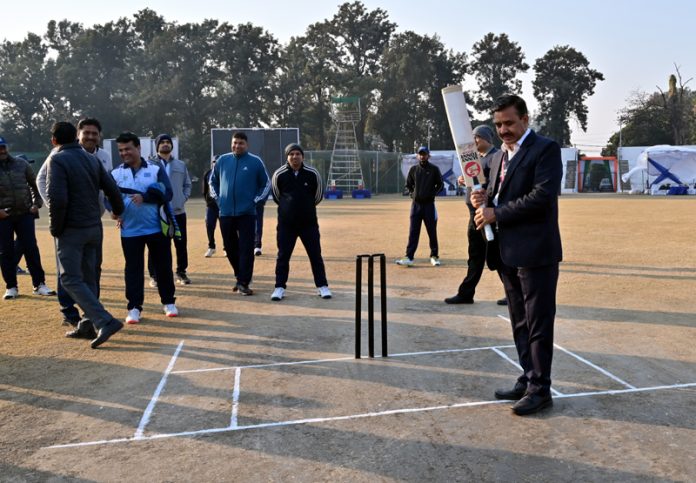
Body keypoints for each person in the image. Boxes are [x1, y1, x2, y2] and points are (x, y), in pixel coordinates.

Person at [471, 95, 563, 416]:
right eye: (498, 125)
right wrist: (483, 198)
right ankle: (528, 377)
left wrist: (497, 213)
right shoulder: (498, 158)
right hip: (506, 252)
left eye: (509, 123)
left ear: (525, 118)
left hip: (536, 251)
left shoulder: (545, 149)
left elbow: (542, 197)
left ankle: (541, 389)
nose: (503, 130)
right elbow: (497, 194)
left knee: (538, 323)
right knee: (519, 320)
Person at [46, 121, 125, 348]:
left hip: (72, 229)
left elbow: (57, 199)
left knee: (70, 278)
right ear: (75, 137)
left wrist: (55, 228)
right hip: (94, 228)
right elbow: (112, 189)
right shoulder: (92, 159)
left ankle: (104, 320)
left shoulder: (56, 159)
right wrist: (119, 211)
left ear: (54, 141)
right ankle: (88, 324)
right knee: (89, 278)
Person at [37, 118, 112, 326]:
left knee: (92, 269)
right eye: (86, 133)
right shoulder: (58, 155)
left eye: (94, 133)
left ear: (99, 136)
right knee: (68, 271)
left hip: (92, 221)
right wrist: (55, 213)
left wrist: (112, 209)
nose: (90, 136)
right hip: (66, 223)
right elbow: (41, 181)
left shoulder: (103, 157)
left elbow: (108, 186)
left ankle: (91, 317)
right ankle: (69, 313)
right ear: (78, 135)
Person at [110, 132, 177, 324]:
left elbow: (168, 193)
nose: (124, 153)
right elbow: (109, 198)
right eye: (121, 150)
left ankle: (168, 303)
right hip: (130, 231)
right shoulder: (115, 173)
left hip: (157, 228)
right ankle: (134, 307)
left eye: (128, 149)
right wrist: (113, 211)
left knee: (163, 267)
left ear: (138, 148)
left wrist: (145, 197)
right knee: (133, 269)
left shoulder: (155, 169)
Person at [445, 125, 506, 306]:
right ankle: (466, 293)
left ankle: (514, 292)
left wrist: (481, 184)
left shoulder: (496, 157)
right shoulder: (475, 158)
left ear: (487, 138)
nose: (474, 141)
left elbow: (497, 185)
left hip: (488, 215)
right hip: (474, 214)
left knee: (496, 256)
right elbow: (472, 181)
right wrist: (463, 180)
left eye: (477, 138)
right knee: (475, 255)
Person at [209, 132, 270, 295]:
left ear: (247, 145)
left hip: (247, 213)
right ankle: (239, 275)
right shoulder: (222, 160)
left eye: (241, 143)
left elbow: (265, 184)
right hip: (226, 212)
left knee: (246, 248)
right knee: (229, 248)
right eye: (235, 143)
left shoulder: (255, 162)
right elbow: (212, 181)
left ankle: (243, 281)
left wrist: (255, 201)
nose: (237, 146)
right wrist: (219, 200)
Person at [269, 143, 331, 301]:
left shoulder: (312, 173)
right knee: (283, 256)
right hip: (286, 224)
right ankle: (279, 287)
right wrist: (288, 208)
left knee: (315, 255)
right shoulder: (279, 174)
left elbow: (318, 196)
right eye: (291, 154)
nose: (295, 157)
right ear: (287, 157)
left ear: (302, 156)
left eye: (297, 154)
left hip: (308, 223)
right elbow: (277, 196)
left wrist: (305, 208)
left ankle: (322, 286)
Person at [0, 136, 56, 300]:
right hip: (4, 216)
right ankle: (11, 287)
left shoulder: (21, 164)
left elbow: (36, 184)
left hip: (25, 213)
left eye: (3, 147)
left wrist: (36, 204)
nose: (1, 151)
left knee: (31, 248)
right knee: (6, 252)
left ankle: (39, 284)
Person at [147, 134, 192, 286]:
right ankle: (154, 275)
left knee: (181, 243)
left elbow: (187, 184)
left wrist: (182, 198)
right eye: (162, 142)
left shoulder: (180, 164)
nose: (165, 144)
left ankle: (181, 272)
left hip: (178, 212)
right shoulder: (149, 164)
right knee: (156, 245)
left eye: (168, 142)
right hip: (157, 213)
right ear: (157, 146)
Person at [395, 146, 444, 267]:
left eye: (424, 154)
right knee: (413, 232)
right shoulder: (413, 169)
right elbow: (408, 185)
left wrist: (432, 194)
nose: (422, 156)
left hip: (429, 206)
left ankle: (434, 256)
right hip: (416, 206)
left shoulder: (434, 169)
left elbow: (440, 185)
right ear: (418, 156)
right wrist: (413, 194)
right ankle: (409, 257)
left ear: (428, 155)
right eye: (420, 154)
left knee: (432, 232)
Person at [202, 157, 219, 257]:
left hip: (223, 206)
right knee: (209, 225)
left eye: (217, 162)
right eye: (213, 162)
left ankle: (226, 247)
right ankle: (211, 247)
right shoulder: (207, 174)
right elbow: (204, 191)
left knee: (225, 228)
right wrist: (208, 202)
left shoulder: (225, 173)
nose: (215, 164)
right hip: (211, 206)